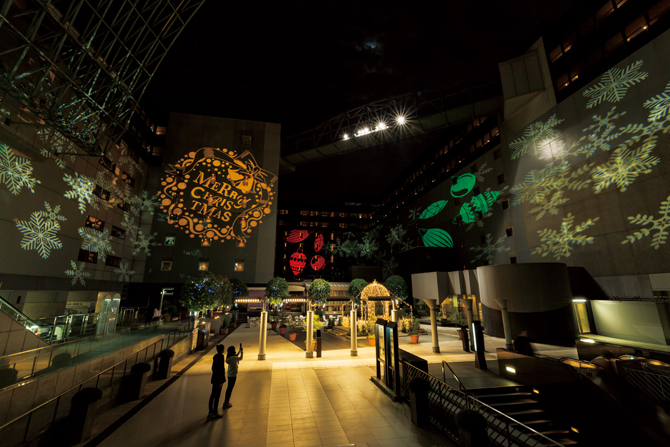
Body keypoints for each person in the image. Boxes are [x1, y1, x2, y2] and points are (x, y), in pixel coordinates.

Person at [223, 345, 243, 409]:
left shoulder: (229, 357)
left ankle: (226, 402)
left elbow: (236, 356)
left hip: (229, 374)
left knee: (229, 388)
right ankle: (226, 402)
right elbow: (240, 358)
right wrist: (242, 352)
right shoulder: (233, 358)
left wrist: (240, 350)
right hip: (233, 375)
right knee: (230, 389)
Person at [208, 344, 226, 419]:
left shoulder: (215, 357)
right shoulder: (221, 358)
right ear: (222, 350)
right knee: (217, 396)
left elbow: (213, 368)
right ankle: (215, 412)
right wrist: (221, 381)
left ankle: (210, 411)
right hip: (218, 380)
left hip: (214, 378)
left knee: (212, 395)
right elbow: (221, 370)